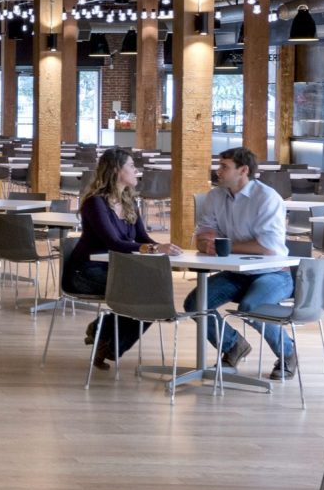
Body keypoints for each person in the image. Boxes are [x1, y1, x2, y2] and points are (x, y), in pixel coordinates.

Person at [187, 146, 298, 380]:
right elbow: (203, 235)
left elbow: (267, 248)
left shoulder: (266, 198)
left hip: (273, 273)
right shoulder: (215, 196)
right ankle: (233, 345)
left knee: (252, 307)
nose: (218, 171)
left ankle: (287, 353)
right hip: (235, 273)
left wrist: (221, 246)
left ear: (243, 170)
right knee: (194, 302)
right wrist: (209, 244)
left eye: (224, 167)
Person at [63, 147, 160, 368]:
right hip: (85, 272)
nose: (137, 171)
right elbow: (113, 243)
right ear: (117, 170)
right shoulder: (95, 203)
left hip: (114, 270)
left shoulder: (129, 202)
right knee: (146, 295)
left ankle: (104, 335)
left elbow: (143, 237)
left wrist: (164, 248)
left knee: (154, 295)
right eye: (132, 166)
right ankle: (107, 340)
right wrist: (150, 249)